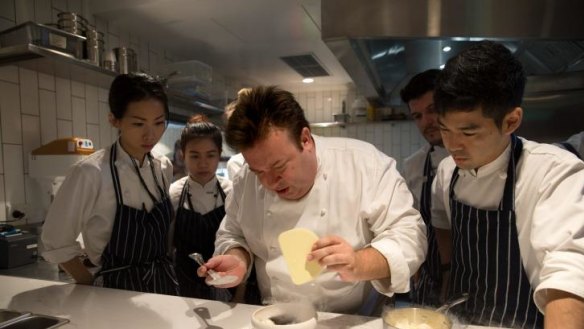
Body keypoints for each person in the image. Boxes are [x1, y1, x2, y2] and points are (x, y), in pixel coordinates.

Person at [196, 85, 427, 314]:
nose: (269, 182)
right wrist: (238, 258)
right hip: (277, 316)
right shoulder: (245, 179)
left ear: (305, 139)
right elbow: (233, 232)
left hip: (352, 320)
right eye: (259, 172)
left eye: (279, 166)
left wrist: (359, 262)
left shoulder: (365, 165)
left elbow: (408, 235)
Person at [432, 40, 584, 328]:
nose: (452, 145)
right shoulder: (446, 172)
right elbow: (446, 240)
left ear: (511, 121)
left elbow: (568, 270)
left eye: (469, 131)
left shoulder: (554, 172)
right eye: (444, 128)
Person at [41, 73, 178, 295]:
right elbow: (56, 241)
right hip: (115, 291)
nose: (151, 134)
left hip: (163, 286)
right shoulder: (90, 172)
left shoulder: (162, 167)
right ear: (114, 119)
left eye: (159, 122)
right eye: (138, 123)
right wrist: (91, 287)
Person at [169, 114, 234, 300]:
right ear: (183, 155)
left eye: (210, 155)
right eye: (195, 156)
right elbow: (167, 247)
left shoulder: (231, 192)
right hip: (183, 285)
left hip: (226, 283)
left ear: (219, 154)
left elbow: (242, 242)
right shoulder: (174, 193)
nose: (203, 163)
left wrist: (241, 294)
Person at [400, 69, 450, 307]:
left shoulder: (480, 161)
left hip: (482, 279)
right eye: (417, 116)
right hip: (429, 282)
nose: (426, 123)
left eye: (432, 111)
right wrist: (414, 267)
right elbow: (413, 223)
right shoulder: (414, 166)